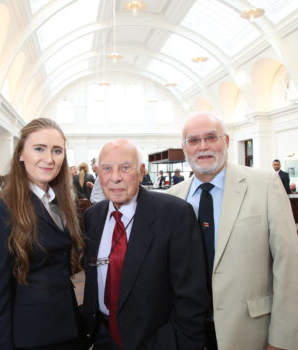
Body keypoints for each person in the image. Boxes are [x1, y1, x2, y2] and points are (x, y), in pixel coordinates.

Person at [168, 111, 298, 350]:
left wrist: (283, 339)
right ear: (184, 147)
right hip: (187, 332)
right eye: (194, 140)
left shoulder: (265, 185)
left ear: (226, 141)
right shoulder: (172, 198)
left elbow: (289, 264)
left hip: (250, 331)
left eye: (211, 137)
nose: (203, 147)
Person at [82, 139, 208, 350]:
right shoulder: (92, 217)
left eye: (125, 168)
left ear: (141, 172)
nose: (115, 177)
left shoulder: (175, 214)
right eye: (106, 168)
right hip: (103, 337)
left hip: (156, 340)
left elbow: (191, 297)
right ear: (97, 172)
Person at [0, 118, 86, 350]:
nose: (49, 159)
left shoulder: (61, 203)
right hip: (32, 337)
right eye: (39, 149)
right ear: (21, 154)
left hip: (69, 329)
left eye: (57, 151)